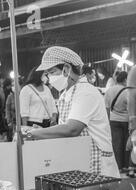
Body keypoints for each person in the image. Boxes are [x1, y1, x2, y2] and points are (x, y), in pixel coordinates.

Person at [22, 46, 120, 177]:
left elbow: (72, 129)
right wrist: (41, 130)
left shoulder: (85, 92)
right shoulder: (67, 93)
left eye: (51, 72)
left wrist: (33, 134)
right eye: (47, 74)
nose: (49, 77)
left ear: (67, 69)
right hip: (80, 160)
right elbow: (64, 128)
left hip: (97, 164)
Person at [104, 71, 135, 177]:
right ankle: (126, 166)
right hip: (126, 120)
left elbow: (107, 107)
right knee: (127, 144)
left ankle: (118, 167)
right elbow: (131, 109)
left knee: (116, 144)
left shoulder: (109, 90)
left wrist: (108, 121)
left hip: (113, 120)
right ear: (125, 80)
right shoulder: (128, 92)